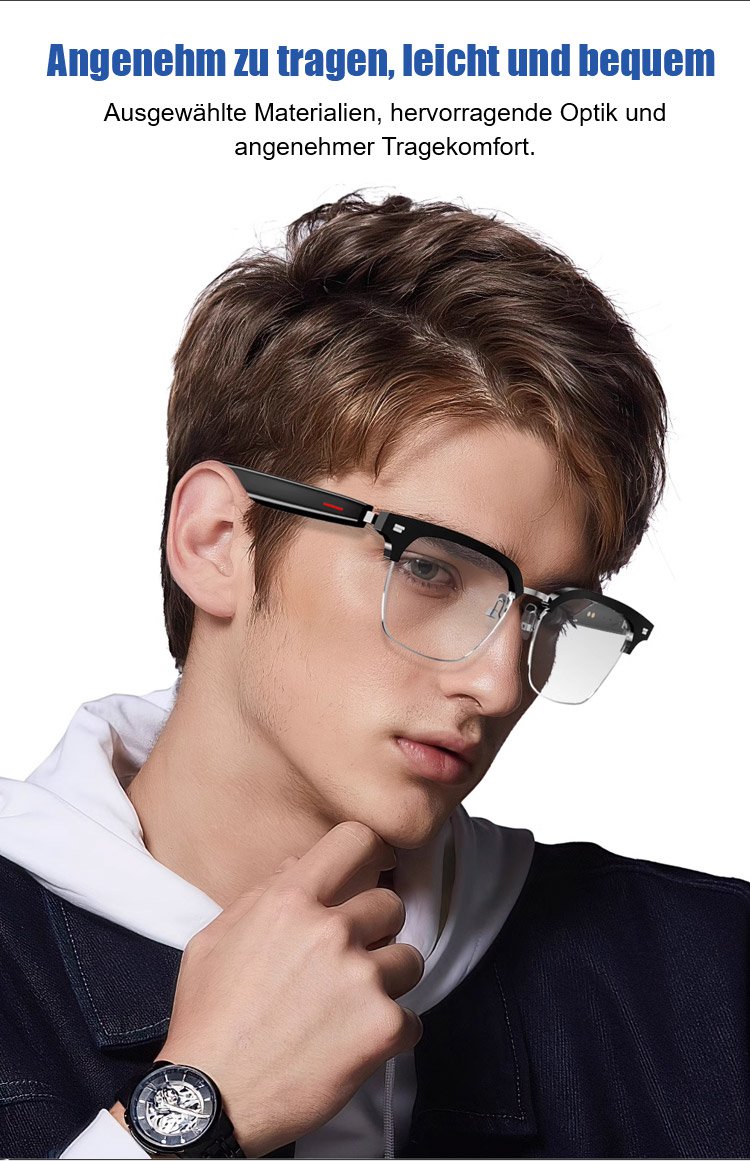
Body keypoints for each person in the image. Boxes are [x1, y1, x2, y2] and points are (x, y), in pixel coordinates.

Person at [0, 192, 747, 1161]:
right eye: (432, 569)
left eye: (549, 612)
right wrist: (198, 1110)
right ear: (217, 540)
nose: (499, 683)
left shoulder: (710, 975)